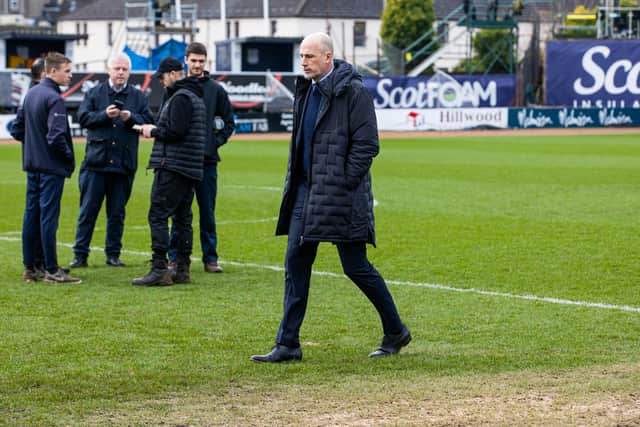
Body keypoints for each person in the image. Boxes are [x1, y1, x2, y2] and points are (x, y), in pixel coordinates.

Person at [251, 33, 410, 363]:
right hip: (305, 195)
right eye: (302, 56)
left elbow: (367, 146)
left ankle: (395, 331)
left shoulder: (353, 91)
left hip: (341, 197)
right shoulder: (306, 91)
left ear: (328, 57)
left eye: (310, 56)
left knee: (355, 267)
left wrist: (342, 183)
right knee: (295, 264)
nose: (304, 61)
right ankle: (288, 343)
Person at [68, 53, 154, 268]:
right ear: (108, 70)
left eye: (124, 69)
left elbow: (149, 123)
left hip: (123, 164)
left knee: (117, 213)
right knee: (87, 212)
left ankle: (113, 255)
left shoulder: (138, 96)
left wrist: (130, 118)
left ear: (129, 71)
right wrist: (104, 115)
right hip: (96, 163)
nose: (120, 73)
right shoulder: (94, 93)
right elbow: (83, 119)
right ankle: (80, 255)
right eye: (117, 68)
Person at [132, 57, 206, 286]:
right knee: (183, 218)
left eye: (163, 78)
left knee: (158, 215)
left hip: (173, 165)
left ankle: (159, 268)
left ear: (173, 74)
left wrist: (151, 130)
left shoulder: (181, 98)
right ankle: (182, 269)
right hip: (189, 166)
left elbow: (175, 131)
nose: (162, 83)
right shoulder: (195, 96)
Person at [10, 52, 81, 284]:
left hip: (32, 166)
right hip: (50, 167)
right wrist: (68, 157)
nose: (70, 75)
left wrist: (34, 145)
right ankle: (51, 269)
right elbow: (56, 137)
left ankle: (31, 267)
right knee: (48, 217)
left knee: (32, 215)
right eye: (67, 71)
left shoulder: (30, 95)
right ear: (52, 71)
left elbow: (17, 129)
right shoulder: (55, 99)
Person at [167, 42, 235, 274]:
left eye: (201, 61)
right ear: (186, 60)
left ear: (206, 62)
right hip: (181, 162)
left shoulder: (216, 91)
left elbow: (228, 123)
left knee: (208, 212)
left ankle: (210, 258)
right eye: (193, 60)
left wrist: (213, 142)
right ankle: (174, 257)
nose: (197, 65)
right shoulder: (176, 88)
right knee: (178, 212)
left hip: (207, 162)